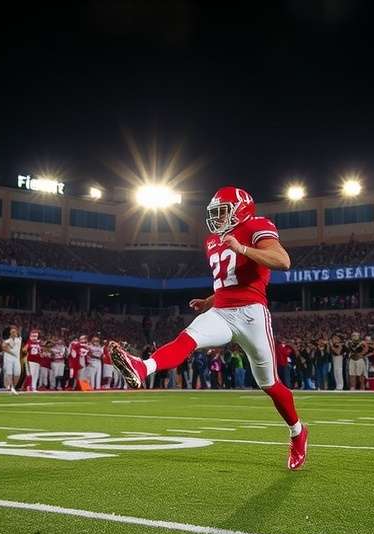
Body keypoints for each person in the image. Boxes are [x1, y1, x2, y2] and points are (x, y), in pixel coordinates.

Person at [108, 186, 308, 470]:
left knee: (270, 385)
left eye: (222, 211)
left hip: (252, 313)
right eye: (214, 213)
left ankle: (298, 432)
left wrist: (243, 248)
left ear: (241, 209)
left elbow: (282, 261)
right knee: (186, 339)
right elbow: (230, 280)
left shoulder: (256, 225)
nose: (217, 218)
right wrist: (209, 301)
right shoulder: (213, 240)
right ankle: (142, 368)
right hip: (222, 311)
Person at [2, 326, 22, 394]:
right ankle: (11, 387)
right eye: (12, 332)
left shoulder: (19, 339)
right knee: (9, 373)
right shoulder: (6, 341)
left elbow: (19, 333)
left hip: (16, 359)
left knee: (17, 373)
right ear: (10, 333)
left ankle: (13, 387)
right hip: (8, 358)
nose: (14, 333)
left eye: (15, 332)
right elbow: (4, 347)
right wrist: (12, 353)